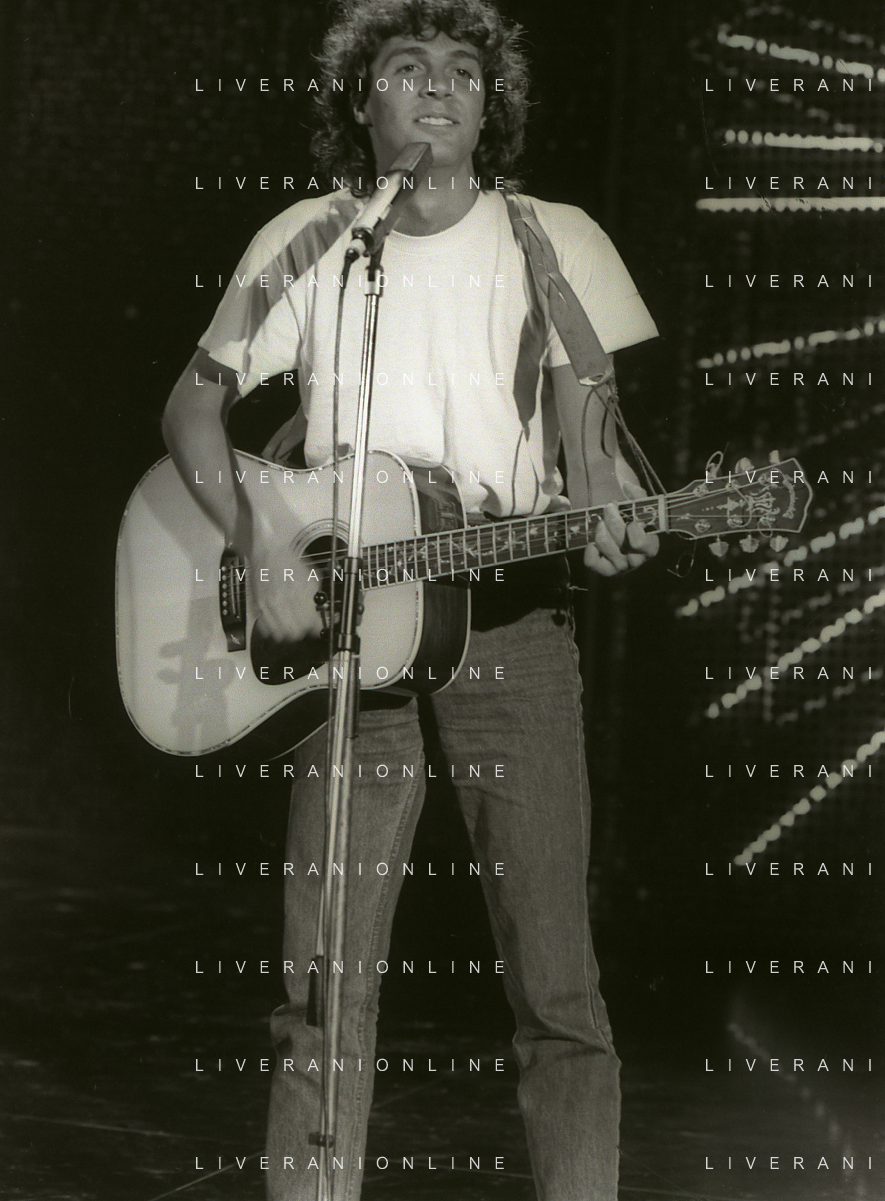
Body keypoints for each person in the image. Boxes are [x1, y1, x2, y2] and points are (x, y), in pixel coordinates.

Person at [162, 2, 659, 1197]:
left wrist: (616, 514)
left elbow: (600, 453)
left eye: (464, 70)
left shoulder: (557, 241)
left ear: (493, 103)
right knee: (322, 988)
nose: (439, 86)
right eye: (407, 66)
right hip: (349, 638)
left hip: (511, 622)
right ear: (360, 96)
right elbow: (191, 409)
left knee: (558, 987)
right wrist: (261, 548)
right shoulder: (311, 239)